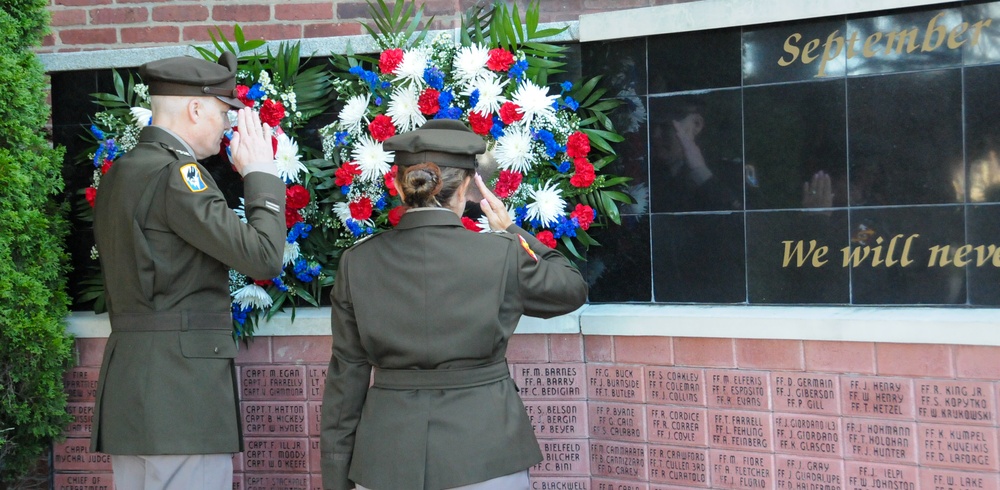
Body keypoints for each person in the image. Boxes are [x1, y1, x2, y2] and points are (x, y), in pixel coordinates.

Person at [320, 119, 589, 490]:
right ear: (466, 187)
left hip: (387, 458)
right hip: (487, 454)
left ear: (400, 186)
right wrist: (512, 230)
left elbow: (345, 381)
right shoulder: (501, 254)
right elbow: (571, 288)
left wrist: (336, 477)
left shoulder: (357, 262)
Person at [90, 52, 287, 489]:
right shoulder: (180, 175)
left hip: (133, 389)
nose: (226, 124)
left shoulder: (121, 171)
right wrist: (261, 175)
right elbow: (263, 257)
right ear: (195, 108)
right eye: (222, 111)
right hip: (180, 396)